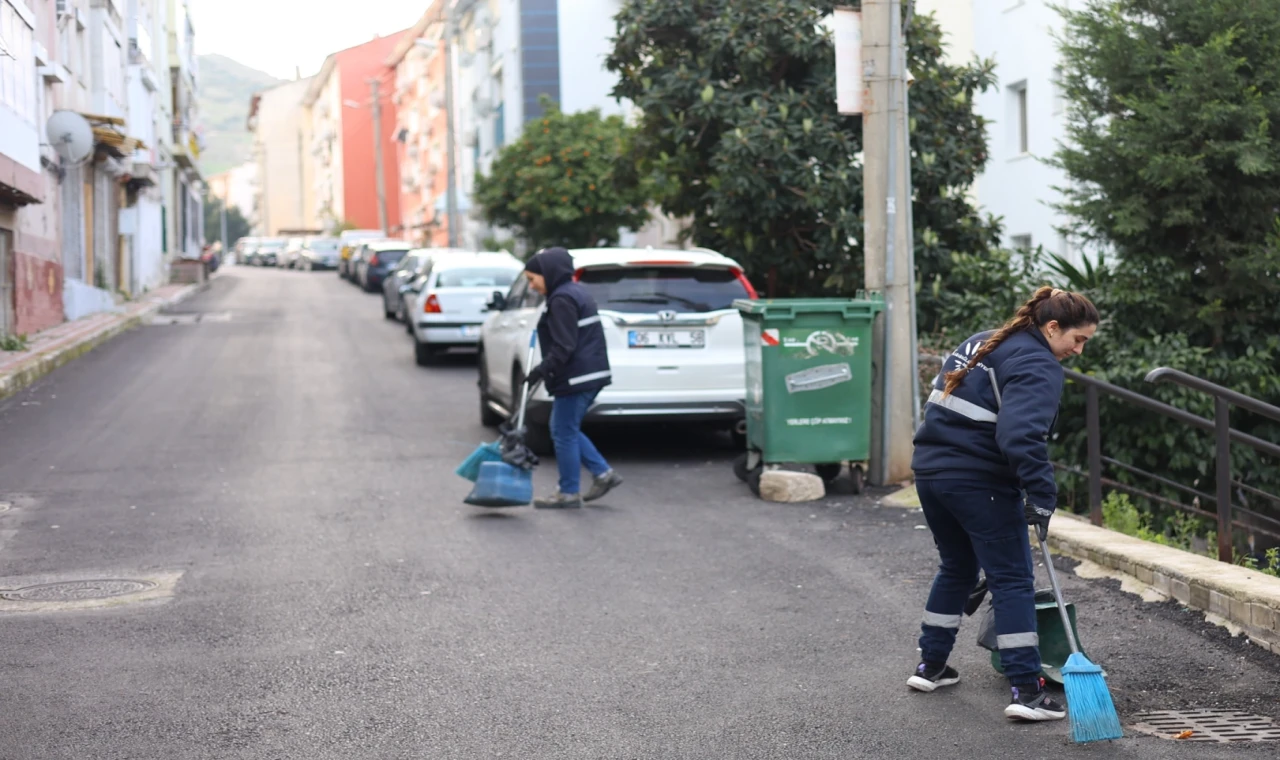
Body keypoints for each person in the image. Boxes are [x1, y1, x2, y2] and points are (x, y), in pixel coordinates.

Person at [906, 286, 1099, 722]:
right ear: (1052, 327)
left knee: (956, 567)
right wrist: (1043, 496)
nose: (1078, 350)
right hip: (979, 481)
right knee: (1011, 579)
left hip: (932, 473)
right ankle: (1026, 690)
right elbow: (1019, 436)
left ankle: (930, 666)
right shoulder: (1036, 362)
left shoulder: (983, 341)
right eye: (1078, 339)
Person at [523, 247, 624, 509]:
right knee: (566, 428)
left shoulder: (562, 299)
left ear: (549, 273)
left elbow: (564, 346)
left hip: (577, 376)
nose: (532, 286)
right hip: (588, 373)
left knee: (562, 430)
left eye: (533, 279)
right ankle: (603, 473)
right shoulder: (574, 292)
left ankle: (568, 492)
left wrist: (542, 370)